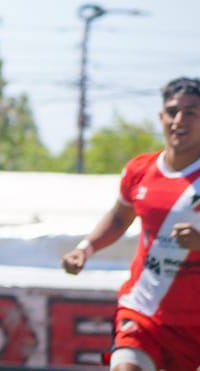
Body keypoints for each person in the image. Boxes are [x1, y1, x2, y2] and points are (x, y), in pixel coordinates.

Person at [61, 77, 200, 371]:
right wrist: (85, 249)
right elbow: (119, 217)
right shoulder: (140, 170)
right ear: (161, 117)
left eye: (191, 112)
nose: (179, 120)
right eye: (173, 111)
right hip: (143, 312)